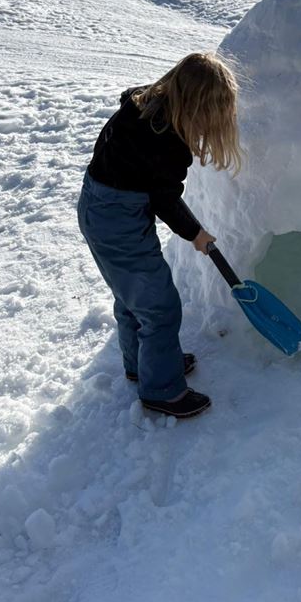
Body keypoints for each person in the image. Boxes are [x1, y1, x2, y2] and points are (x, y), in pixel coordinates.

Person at [78, 53, 242, 419]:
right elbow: (165, 198)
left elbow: (152, 189)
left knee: (134, 295)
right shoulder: (166, 142)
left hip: (103, 208)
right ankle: (162, 390)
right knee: (161, 307)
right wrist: (196, 233)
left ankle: (145, 363)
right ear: (197, 108)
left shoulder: (146, 105)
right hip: (115, 218)